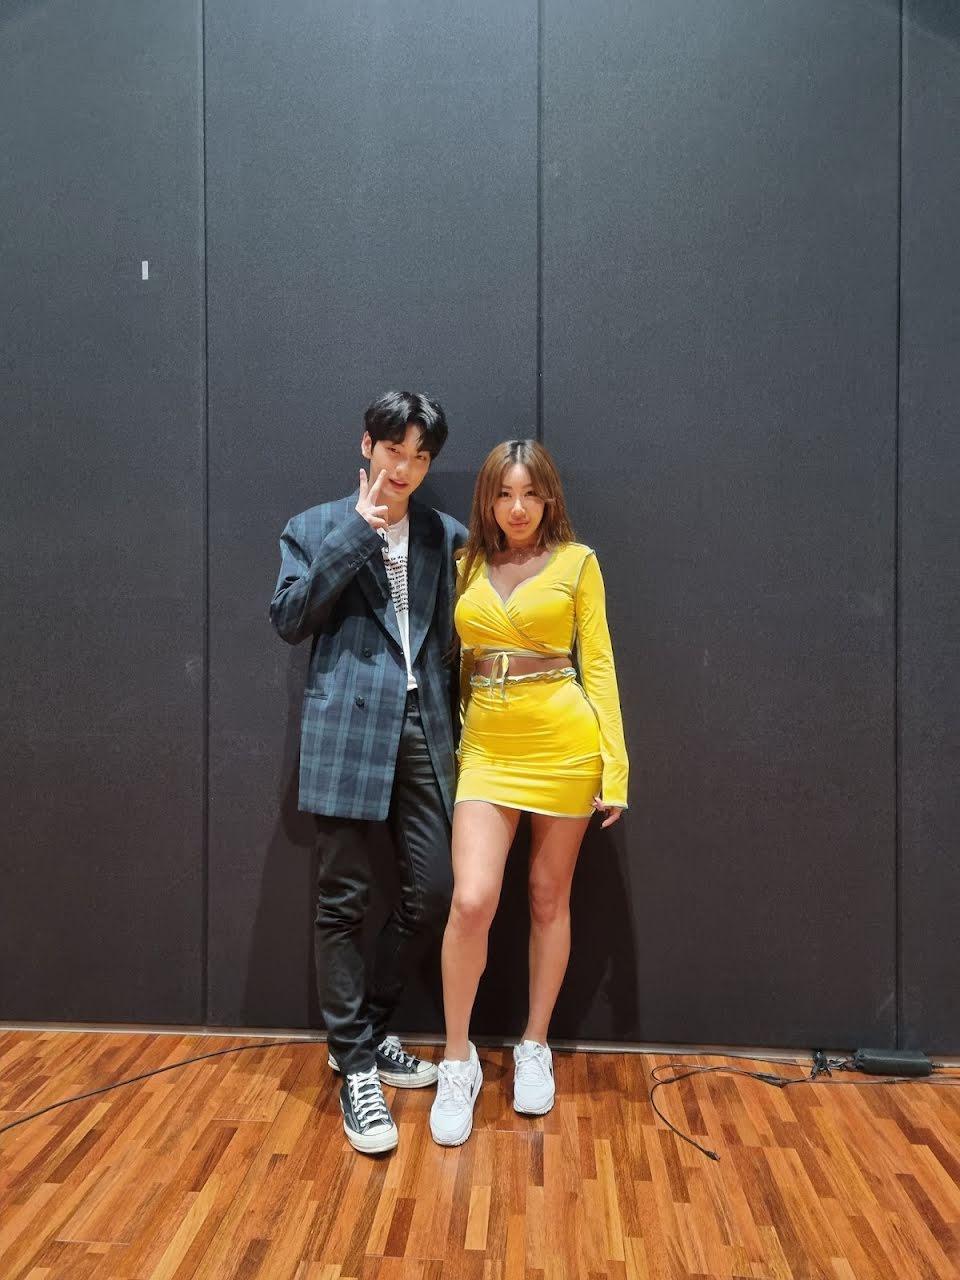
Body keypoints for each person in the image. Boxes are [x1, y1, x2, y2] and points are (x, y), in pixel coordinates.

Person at [270, 391, 466, 1156]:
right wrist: (359, 530)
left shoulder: (445, 536)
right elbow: (291, 619)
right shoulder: (313, 526)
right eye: (394, 450)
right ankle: (354, 1063)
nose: (406, 468)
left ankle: (369, 1027)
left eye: (420, 456)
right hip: (348, 729)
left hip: (425, 727)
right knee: (342, 901)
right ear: (367, 445)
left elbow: (458, 641)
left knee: (436, 891)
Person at [429, 439, 628, 1147]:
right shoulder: (466, 564)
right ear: (487, 500)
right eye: (504, 495)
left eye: (530, 494)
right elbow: (457, 665)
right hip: (487, 746)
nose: (517, 508)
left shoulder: (577, 563)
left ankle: (534, 1044)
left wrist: (614, 767)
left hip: (564, 743)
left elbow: (598, 664)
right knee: (471, 900)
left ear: (549, 499)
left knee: (548, 898)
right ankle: (457, 1061)